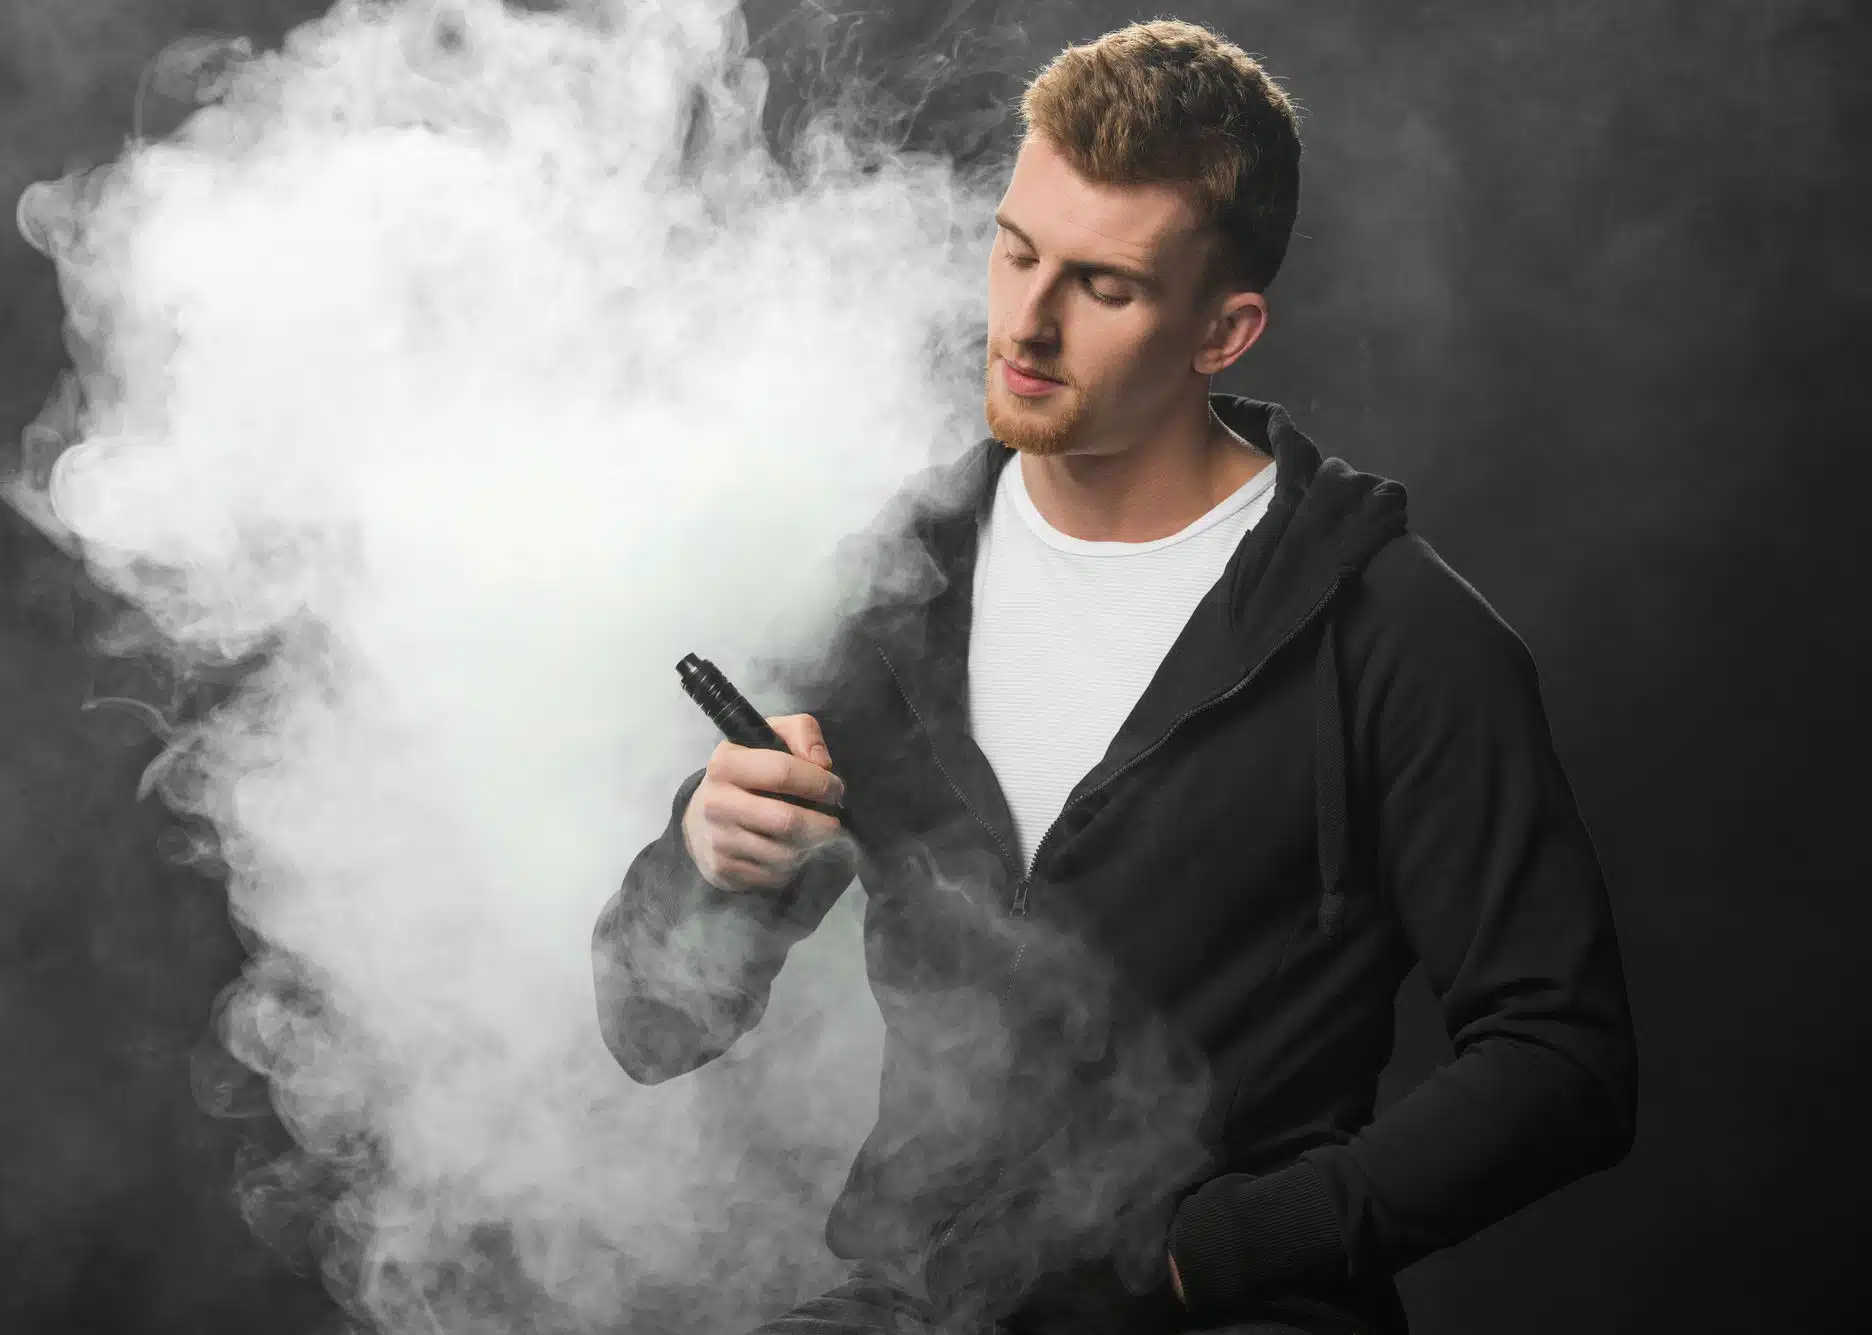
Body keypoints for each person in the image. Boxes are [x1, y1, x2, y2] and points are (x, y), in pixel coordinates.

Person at [592, 19, 1635, 1335]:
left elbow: (1562, 1062)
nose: (1026, 325)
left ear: (1224, 330)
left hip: (1226, 1310)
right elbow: (652, 1032)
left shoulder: (1395, 634)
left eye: (1105, 287)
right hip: (918, 1308)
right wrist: (708, 864)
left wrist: (1224, 1253)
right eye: (1016, 251)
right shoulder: (900, 593)